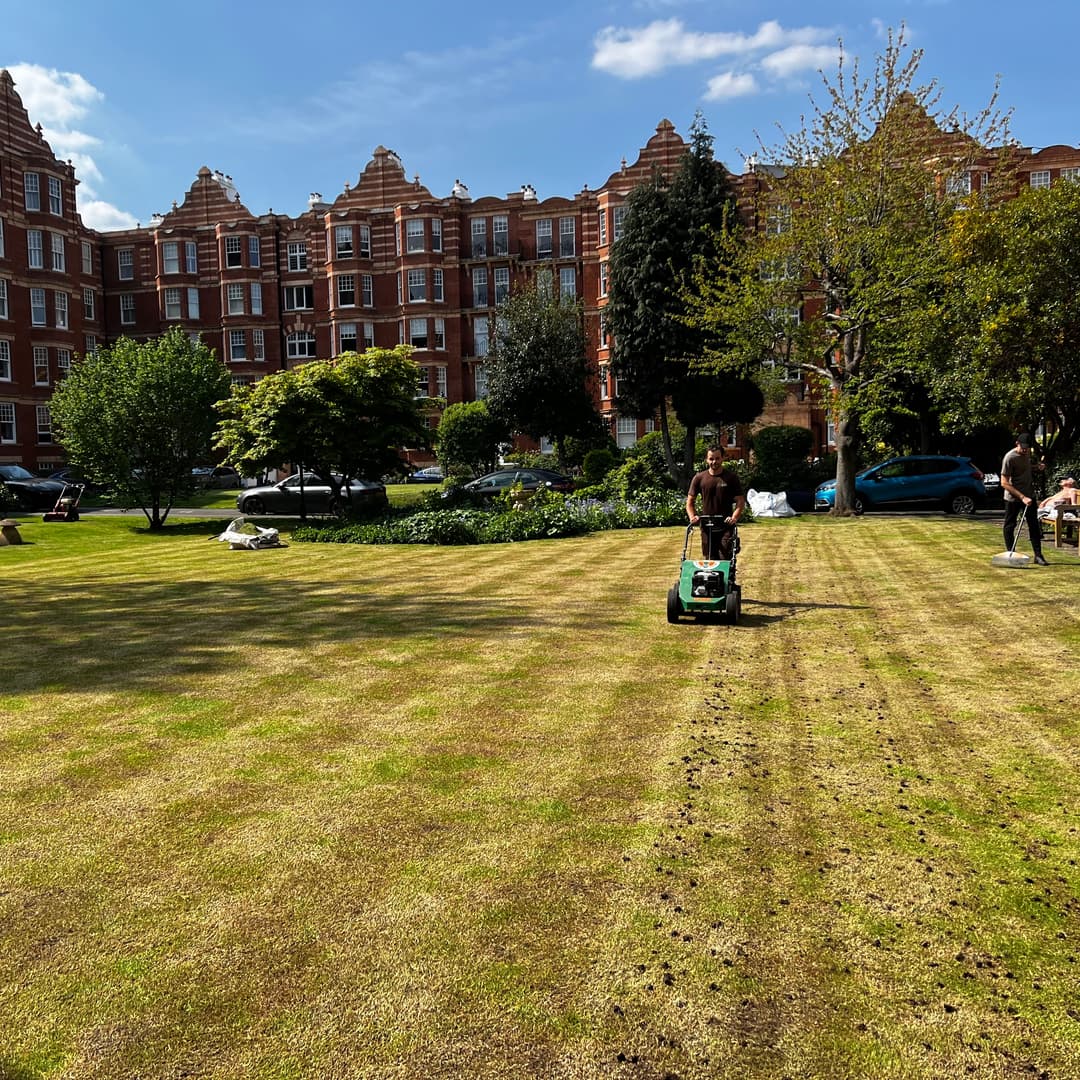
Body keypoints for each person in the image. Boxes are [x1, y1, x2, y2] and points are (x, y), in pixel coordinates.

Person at [686, 445, 745, 560]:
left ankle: (728, 577)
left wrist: (734, 518)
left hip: (726, 525)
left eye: (717, 458)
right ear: (706, 459)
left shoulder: (731, 478)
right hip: (707, 526)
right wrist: (692, 517)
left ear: (723, 458)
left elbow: (740, 501)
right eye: (711, 459)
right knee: (709, 559)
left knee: (725, 558)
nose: (714, 462)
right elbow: (690, 501)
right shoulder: (699, 478)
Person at [1000, 433, 1048, 565]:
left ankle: (1038, 556)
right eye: (1023, 447)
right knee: (1010, 526)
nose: (1025, 450)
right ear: (1017, 444)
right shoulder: (1009, 458)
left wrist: (1036, 467)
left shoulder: (1027, 454)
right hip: (1013, 498)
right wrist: (1022, 497)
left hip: (1029, 496)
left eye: (1028, 448)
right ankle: (1012, 555)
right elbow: (1004, 482)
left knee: (1034, 526)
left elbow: (1024, 469)